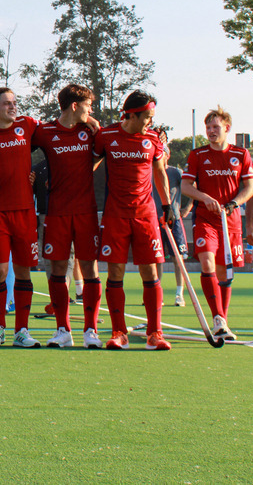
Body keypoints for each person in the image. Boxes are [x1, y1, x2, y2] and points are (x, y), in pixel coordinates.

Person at [92, 90, 172, 350]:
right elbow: (89, 164)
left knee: (149, 271)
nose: (150, 122)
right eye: (147, 117)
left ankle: (155, 333)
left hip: (146, 215)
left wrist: (168, 204)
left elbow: (160, 173)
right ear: (132, 115)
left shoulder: (153, 139)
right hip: (116, 215)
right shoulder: (107, 136)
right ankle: (119, 333)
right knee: (115, 272)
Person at [31, 84, 103, 348]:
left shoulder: (91, 131)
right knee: (59, 270)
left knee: (89, 269)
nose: (91, 110)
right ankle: (63, 330)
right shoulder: (45, 131)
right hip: (56, 212)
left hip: (85, 212)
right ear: (75, 106)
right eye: (88, 105)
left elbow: (105, 153)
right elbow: (17, 140)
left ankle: (91, 331)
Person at [180, 107, 253, 340]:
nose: (211, 131)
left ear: (227, 128)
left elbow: (250, 188)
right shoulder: (198, 155)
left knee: (224, 273)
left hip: (230, 222)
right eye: (208, 128)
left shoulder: (241, 154)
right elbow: (185, 187)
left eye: (215, 127)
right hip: (205, 220)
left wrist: (234, 203)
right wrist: (205, 198)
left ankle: (222, 321)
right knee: (207, 262)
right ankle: (218, 319)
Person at [0, 87, 42, 348]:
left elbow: (57, 134)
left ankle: (21, 331)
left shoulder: (27, 125)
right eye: (6, 104)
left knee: (24, 272)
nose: (12, 107)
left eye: (14, 103)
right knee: (1, 271)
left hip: (26, 212)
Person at [150, 128, 191, 306]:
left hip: (173, 220)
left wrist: (187, 208)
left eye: (163, 153)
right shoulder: (150, 173)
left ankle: (179, 293)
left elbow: (192, 189)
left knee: (178, 258)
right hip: (154, 219)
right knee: (156, 257)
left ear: (168, 155)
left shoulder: (176, 172)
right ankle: (156, 293)